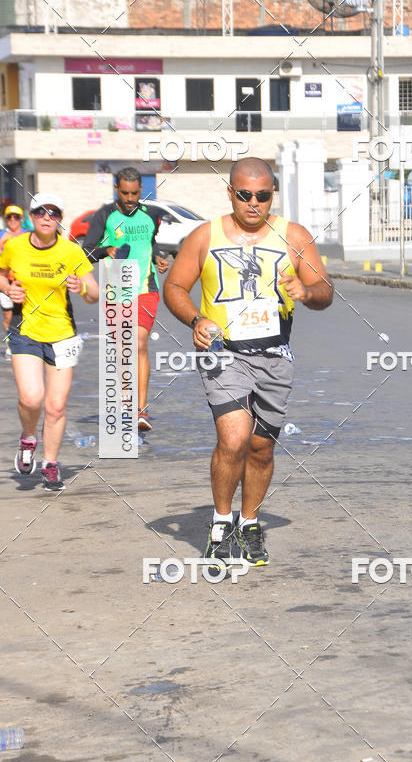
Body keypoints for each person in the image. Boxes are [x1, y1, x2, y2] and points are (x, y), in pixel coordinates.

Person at [164, 157, 333, 568]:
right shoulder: (205, 236)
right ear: (230, 193)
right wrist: (196, 318)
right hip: (223, 354)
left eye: (262, 195)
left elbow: (325, 290)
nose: (253, 203)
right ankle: (222, 522)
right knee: (235, 438)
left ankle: (250, 522)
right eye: (244, 195)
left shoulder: (294, 236)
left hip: (275, 355)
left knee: (260, 448)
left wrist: (306, 292)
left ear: (272, 194)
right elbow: (174, 285)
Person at [0, 193, 99, 491]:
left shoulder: (71, 251)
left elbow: (94, 295)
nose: (47, 217)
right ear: (31, 217)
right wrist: (9, 289)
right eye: (41, 212)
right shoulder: (14, 246)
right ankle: (28, 438)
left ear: (59, 219)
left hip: (62, 335)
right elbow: (2, 274)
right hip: (26, 331)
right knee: (31, 398)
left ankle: (51, 464)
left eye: (53, 213)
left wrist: (81, 287)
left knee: (56, 406)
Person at [83, 167, 170, 432]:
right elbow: (86, 251)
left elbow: (150, 242)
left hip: (146, 287)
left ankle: (141, 411)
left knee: (139, 341)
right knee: (124, 348)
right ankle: (126, 400)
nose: (130, 198)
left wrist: (158, 257)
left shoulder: (150, 215)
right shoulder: (105, 215)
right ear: (116, 190)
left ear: (140, 190)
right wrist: (105, 249)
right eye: (125, 193)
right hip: (117, 288)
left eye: (135, 193)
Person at [0, 205, 27, 353]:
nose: (12, 220)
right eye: (9, 217)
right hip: (6, 282)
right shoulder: (1, 235)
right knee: (8, 315)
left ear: (21, 219)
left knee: (26, 314)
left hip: (25, 281)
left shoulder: (28, 235)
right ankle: (11, 343)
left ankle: (26, 343)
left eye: (16, 217)